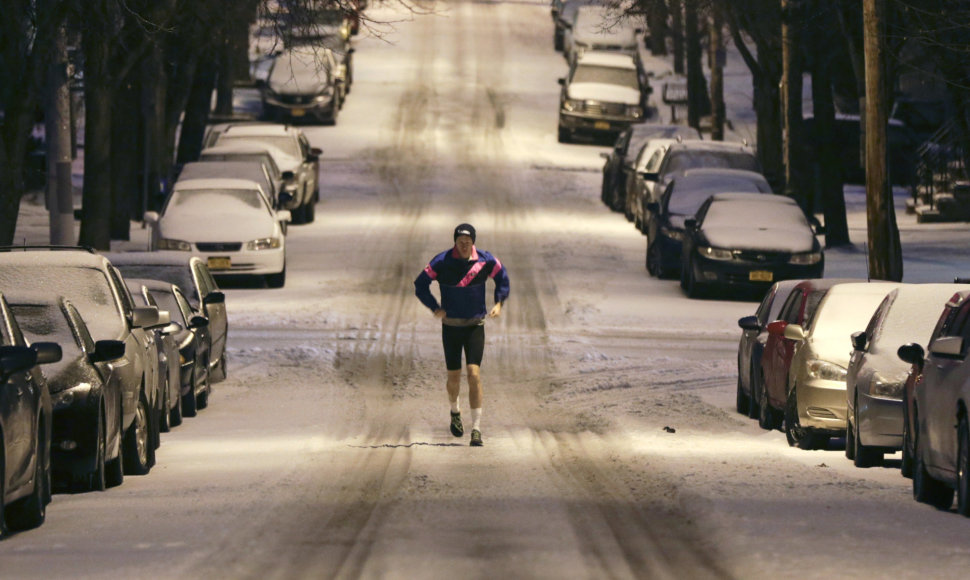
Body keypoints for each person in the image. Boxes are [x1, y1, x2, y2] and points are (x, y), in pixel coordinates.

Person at [414, 223, 510, 447]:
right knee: (454, 377)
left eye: (468, 242)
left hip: (475, 325)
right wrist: (434, 306)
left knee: (474, 374)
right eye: (460, 242)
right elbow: (420, 284)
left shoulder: (486, 260)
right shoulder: (441, 261)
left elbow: (502, 277)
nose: (464, 245)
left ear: (473, 242)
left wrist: (499, 302)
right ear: (455, 242)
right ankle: (455, 411)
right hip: (451, 327)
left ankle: (476, 428)